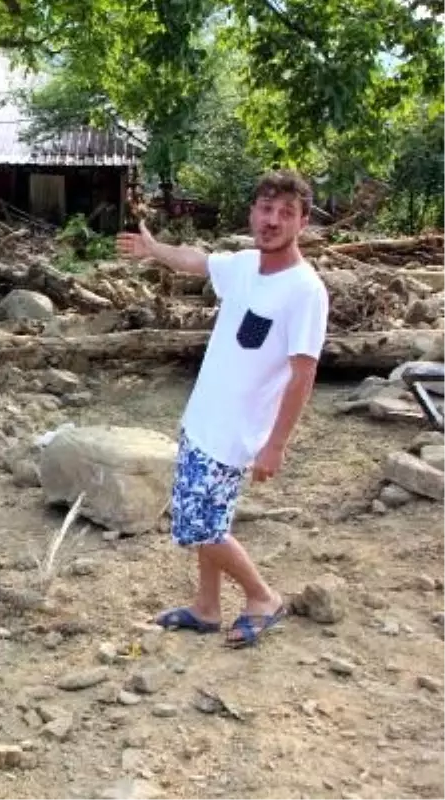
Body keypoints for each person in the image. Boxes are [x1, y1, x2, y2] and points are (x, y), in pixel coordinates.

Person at [116, 169, 329, 648]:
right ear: (253, 212)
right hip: (201, 420)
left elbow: (303, 374)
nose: (272, 220)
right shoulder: (245, 265)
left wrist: (275, 445)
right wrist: (154, 250)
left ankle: (262, 597)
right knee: (213, 518)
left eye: (285, 213)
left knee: (199, 523)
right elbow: (199, 262)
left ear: (303, 222)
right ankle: (207, 607)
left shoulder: (305, 291)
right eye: (266, 209)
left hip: (235, 434)